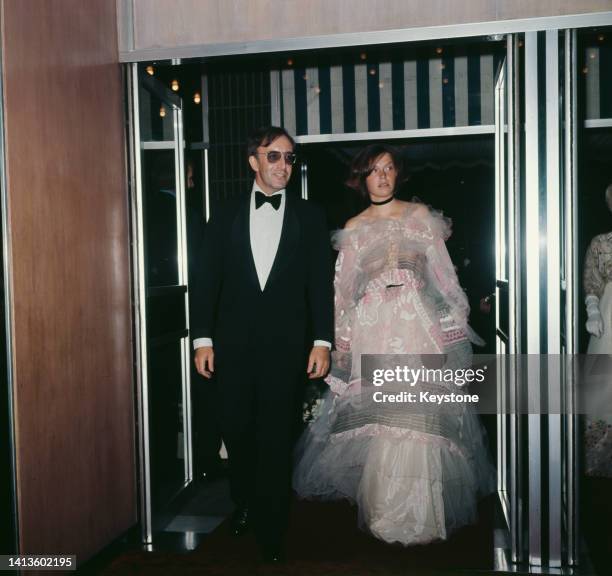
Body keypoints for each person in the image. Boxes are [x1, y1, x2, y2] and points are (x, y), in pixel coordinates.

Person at [293, 144, 494, 545]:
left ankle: (423, 515)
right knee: (382, 417)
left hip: (418, 326)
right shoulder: (352, 226)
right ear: (361, 177)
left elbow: (445, 276)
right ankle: (386, 513)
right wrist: (342, 342)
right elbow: (341, 291)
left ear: (397, 175)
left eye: (388, 169)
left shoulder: (419, 216)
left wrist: (454, 323)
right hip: (373, 328)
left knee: (419, 416)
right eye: (374, 170)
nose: (382, 177)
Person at [192, 126, 334, 562]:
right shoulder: (227, 212)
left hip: (286, 349)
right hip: (231, 347)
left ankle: (272, 528)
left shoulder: (310, 216)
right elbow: (206, 280)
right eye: (274, 156)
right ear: (253, 161)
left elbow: (318, 286)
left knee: (275, 436)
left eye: (290, 158)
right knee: (236, 431)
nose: (283, 166)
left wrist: (322, 341)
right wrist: (202, 339)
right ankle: (246, 501)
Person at [583, 183, 612, 478]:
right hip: (609, 317)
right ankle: (601, 459)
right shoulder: (601, 243)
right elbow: (592, 281)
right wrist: (592, 310)